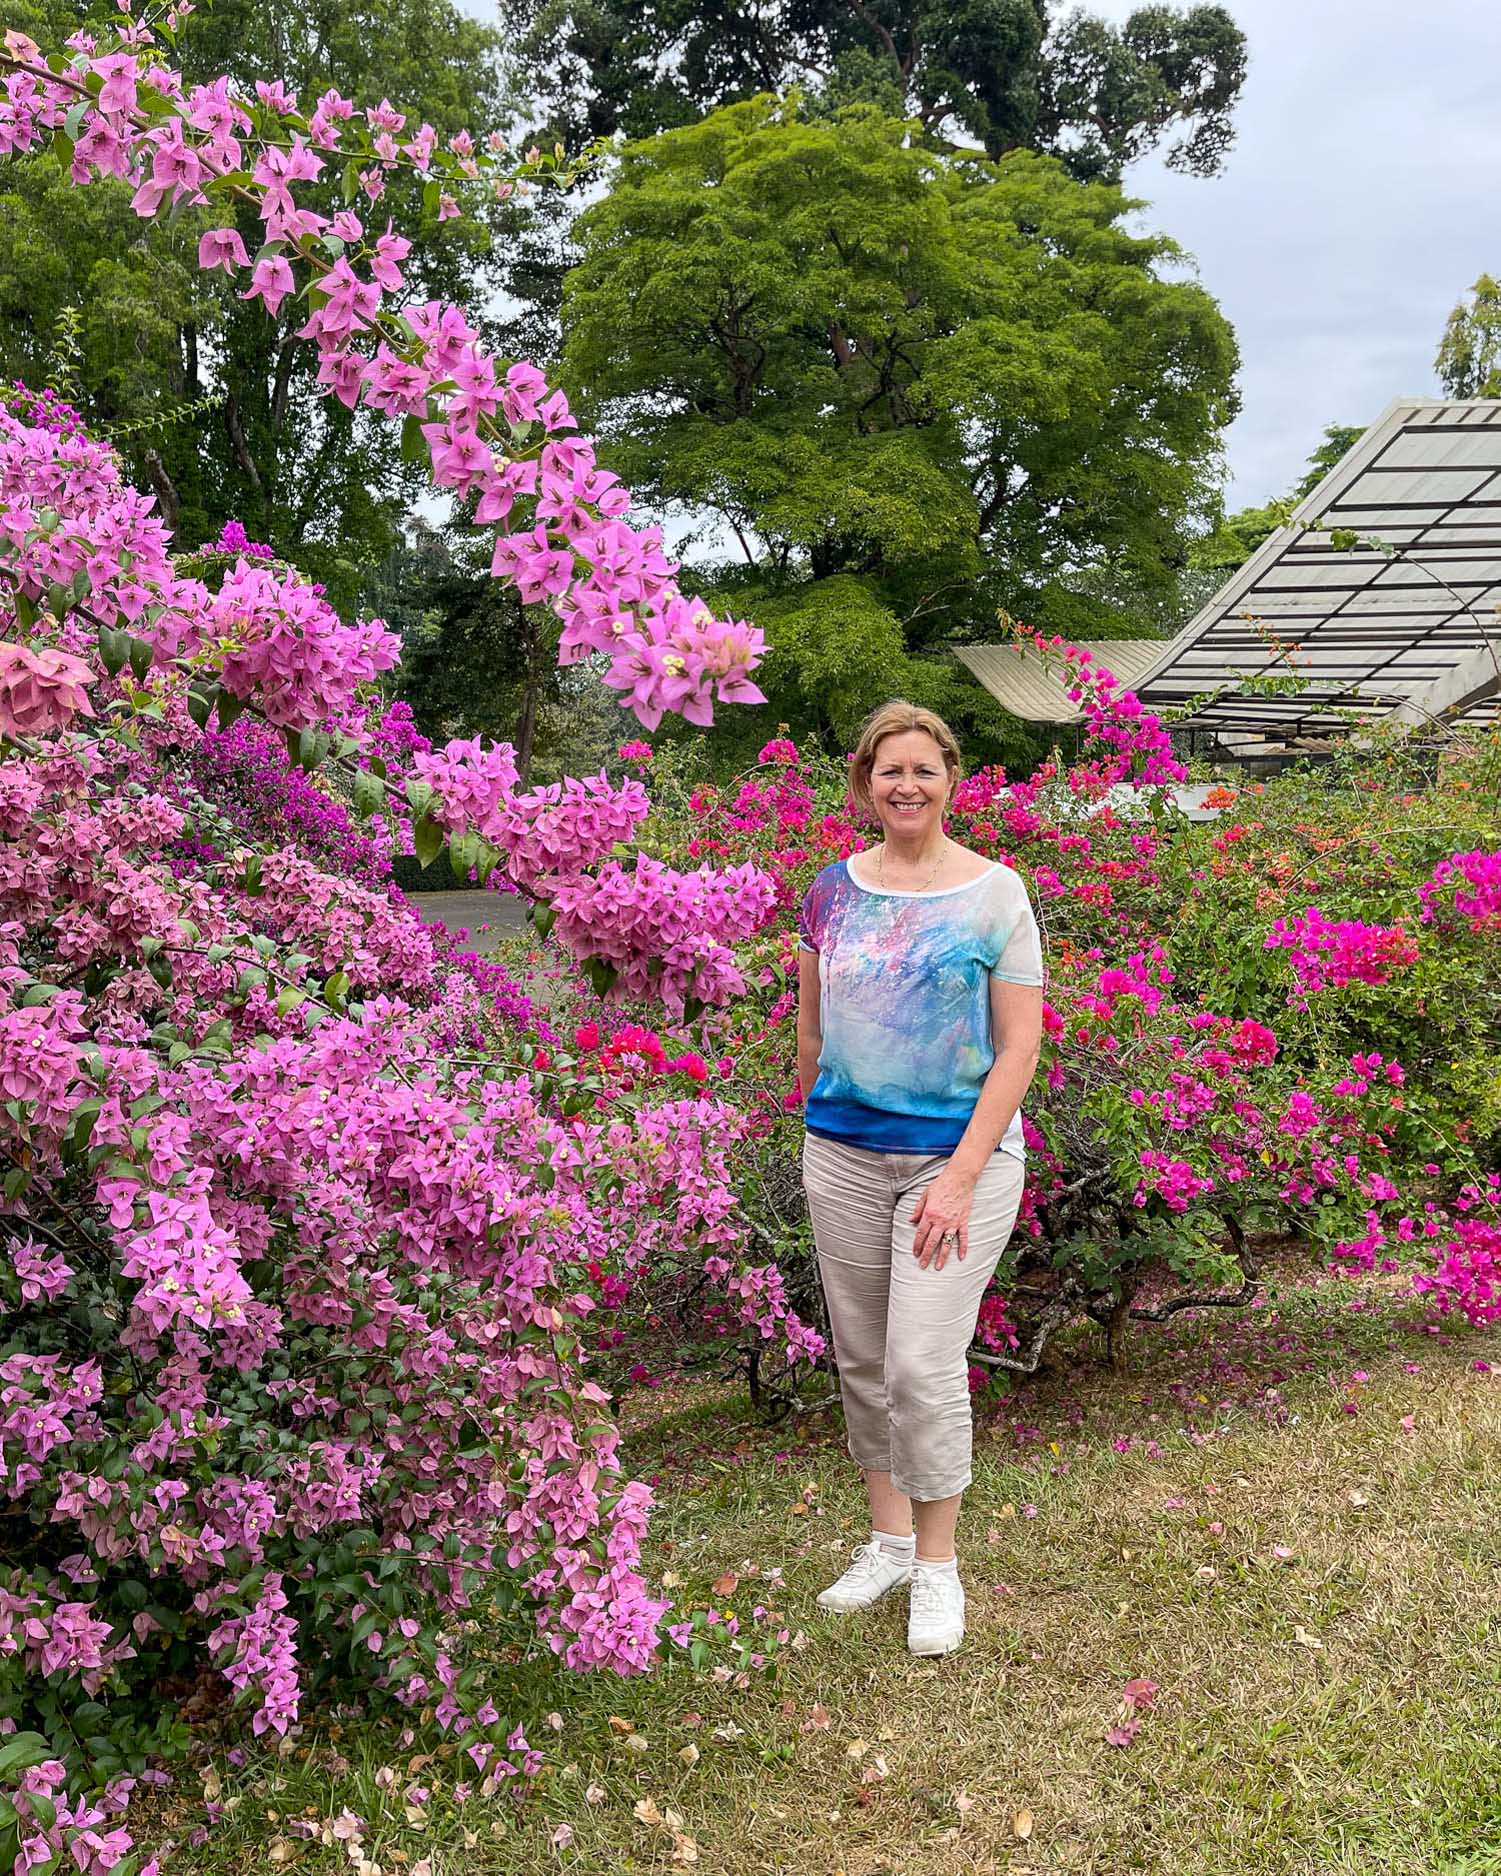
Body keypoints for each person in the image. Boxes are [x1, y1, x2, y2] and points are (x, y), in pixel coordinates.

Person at [796, 700, 1043, 1657]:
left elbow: (1019, 1046)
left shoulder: (993, 893)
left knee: (919, 1364)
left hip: (958, 1161)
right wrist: (813, 1124)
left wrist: (960, 1175)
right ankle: (888, 1541)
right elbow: (812, 1029)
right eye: (887, 770)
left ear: (950, 782)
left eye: (923, 770)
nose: (905, 785)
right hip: (845, 1156)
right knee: (861, 1358)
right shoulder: (831, 890)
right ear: (864, 783)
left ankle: (937, 1568)